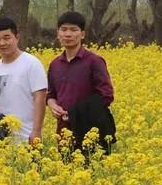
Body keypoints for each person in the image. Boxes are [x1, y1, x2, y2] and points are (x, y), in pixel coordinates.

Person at [46, 11, 116, 152]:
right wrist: (52, 105)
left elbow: (106, 95)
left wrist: (74, 113)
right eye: (64, 29)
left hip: (91, 129)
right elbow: (51, 94)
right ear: (58, 33)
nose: (68, 34)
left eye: (73, 30)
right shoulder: (55, 64)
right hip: (64, 131)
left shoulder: (94, 61)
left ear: (82, 34)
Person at [0, 18, 47, 144]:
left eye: (7, 38)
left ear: (17, 37)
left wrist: (36, 131)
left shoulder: (31, 64)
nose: (2, 43)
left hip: (27, 136)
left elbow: (40, 98)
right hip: (1, 140)